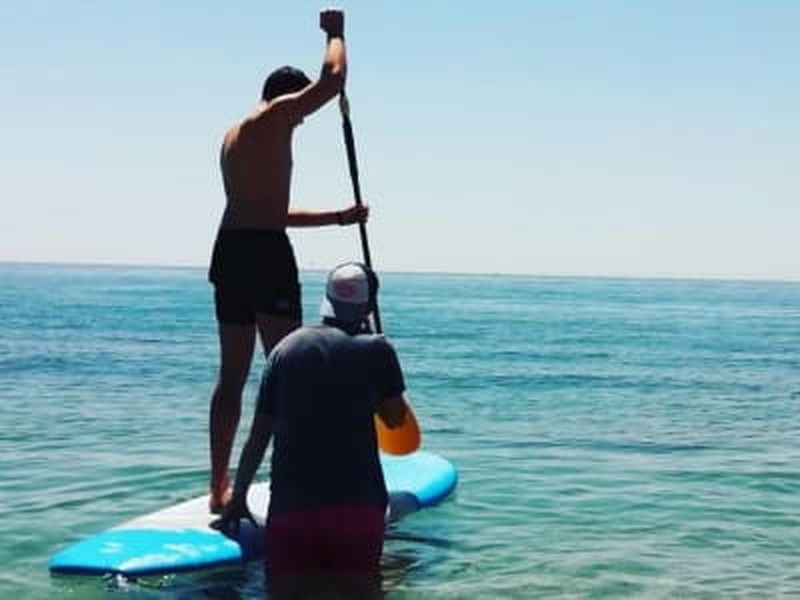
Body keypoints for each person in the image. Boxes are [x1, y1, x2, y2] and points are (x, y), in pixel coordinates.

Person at [207, 8, 368, 512]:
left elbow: (268, 212)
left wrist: (341, 217)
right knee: (290, 371)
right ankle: (293, 481)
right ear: (284, 98)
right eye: (299, 111)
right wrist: (336, 33)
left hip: (233, 249)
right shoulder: (274, 115)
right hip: (262, 256)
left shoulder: (236, 134)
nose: (301, 119)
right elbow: (332, 79)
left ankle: (220, 490)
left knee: (232, 375)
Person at [218, 262, 410, 597]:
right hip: (357, 509)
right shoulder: (378, 349)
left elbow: (259, 435)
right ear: (368, 305)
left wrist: (239, 496)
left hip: (294, 509)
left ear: (328, 299)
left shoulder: (284, 350)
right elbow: (396, 421)